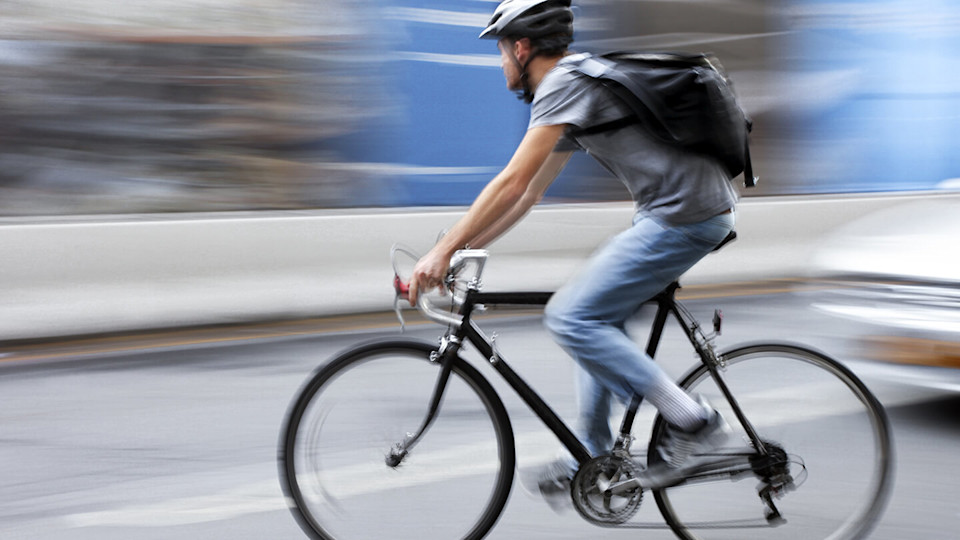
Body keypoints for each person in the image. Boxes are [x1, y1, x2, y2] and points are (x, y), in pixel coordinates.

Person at [408, 0, 738, 506]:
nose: (501, 64)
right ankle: (594, 450)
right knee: (591, 314)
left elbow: (511, 180)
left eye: (501, 52)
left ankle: (692, 420)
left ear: (521, 48)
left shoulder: (563, 85)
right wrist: (463, 249)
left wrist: (442, 249)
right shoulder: (576, 86)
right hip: (676, 213)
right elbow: (527, 195)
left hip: (685, 217)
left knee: (570, 317)